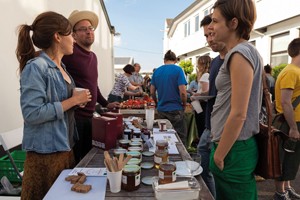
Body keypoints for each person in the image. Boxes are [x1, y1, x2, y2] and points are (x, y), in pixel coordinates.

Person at [16, 11, 91, 199]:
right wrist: (72, 100)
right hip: (45, 157)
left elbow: (58, 104)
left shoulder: (61, 67)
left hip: (65, 148)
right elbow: (32, 114)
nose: (74, 39)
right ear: (57, 37)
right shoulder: (36, 67)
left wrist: (76, 102)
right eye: (70, 34)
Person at [208, 0, 263, 199]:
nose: (211, 27)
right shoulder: (240, 52)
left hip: (233, 149)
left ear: (233, 23)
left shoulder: (240, 54)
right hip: (233, 147)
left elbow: (239, 114)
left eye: (215, 21)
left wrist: (220, 155)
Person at [62, 10, 119, 163]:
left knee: (91, 158)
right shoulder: (70, 53)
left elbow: (93, 85)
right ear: (73, 35)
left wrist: (106, 103)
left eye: (90, 28)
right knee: (78, 161)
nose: (88, 32)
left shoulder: (93, 57)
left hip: (90, 117)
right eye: (83, 29)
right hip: (75, 118)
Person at [196, 14, 227, 199]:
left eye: (211, 34)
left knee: (216, 173)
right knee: (205, 169)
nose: (209, 40)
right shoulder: (215, 61)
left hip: (222, 130)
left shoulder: (236, 57)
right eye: (206, 36)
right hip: (210, 124)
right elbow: (215, 94)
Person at [273, 38, 300, 200]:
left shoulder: (294, 70)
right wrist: (294, 128)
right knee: (284, 157)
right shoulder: (291, 71)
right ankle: (280, 192)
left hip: (293, 122)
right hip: (289, 123)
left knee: (292, 158)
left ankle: (287, 188)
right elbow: (285, 101)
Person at [150, 50, 188, 145]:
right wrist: (184, 104)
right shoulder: (178, 70)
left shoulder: (157, 71)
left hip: (162, 109)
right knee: (179, 137)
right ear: (175, 60)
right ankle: (181, 158)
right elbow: (183, 92)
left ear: (164, 60)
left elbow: (152, 91)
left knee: (163, 136)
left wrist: (156, 102)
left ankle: (164, 156)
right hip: (175, 108)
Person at [190, 55, 211, 139]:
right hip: (202, 105)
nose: (197, 66)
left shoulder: (205, 75)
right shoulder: (208, 74)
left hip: (201, 105)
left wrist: (195, 95)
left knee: (201, 127)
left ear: (202, 64)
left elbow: (205, 94)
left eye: (198, 64)